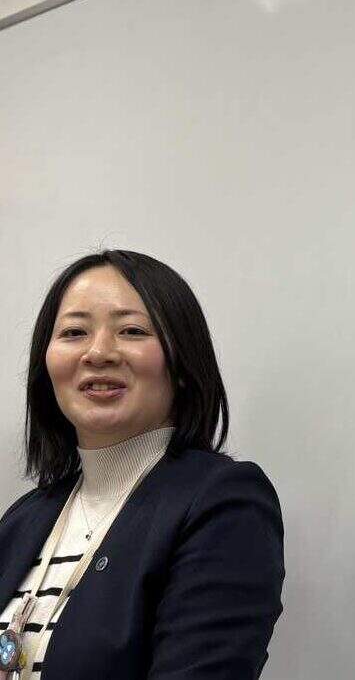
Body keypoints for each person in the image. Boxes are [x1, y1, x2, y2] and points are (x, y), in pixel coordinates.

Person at [0, 250, 284, 679]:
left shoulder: (224, 502)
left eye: (132, 331)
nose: (98, 353)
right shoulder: (23, 518)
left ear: (182, 361)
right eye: (74, 332)